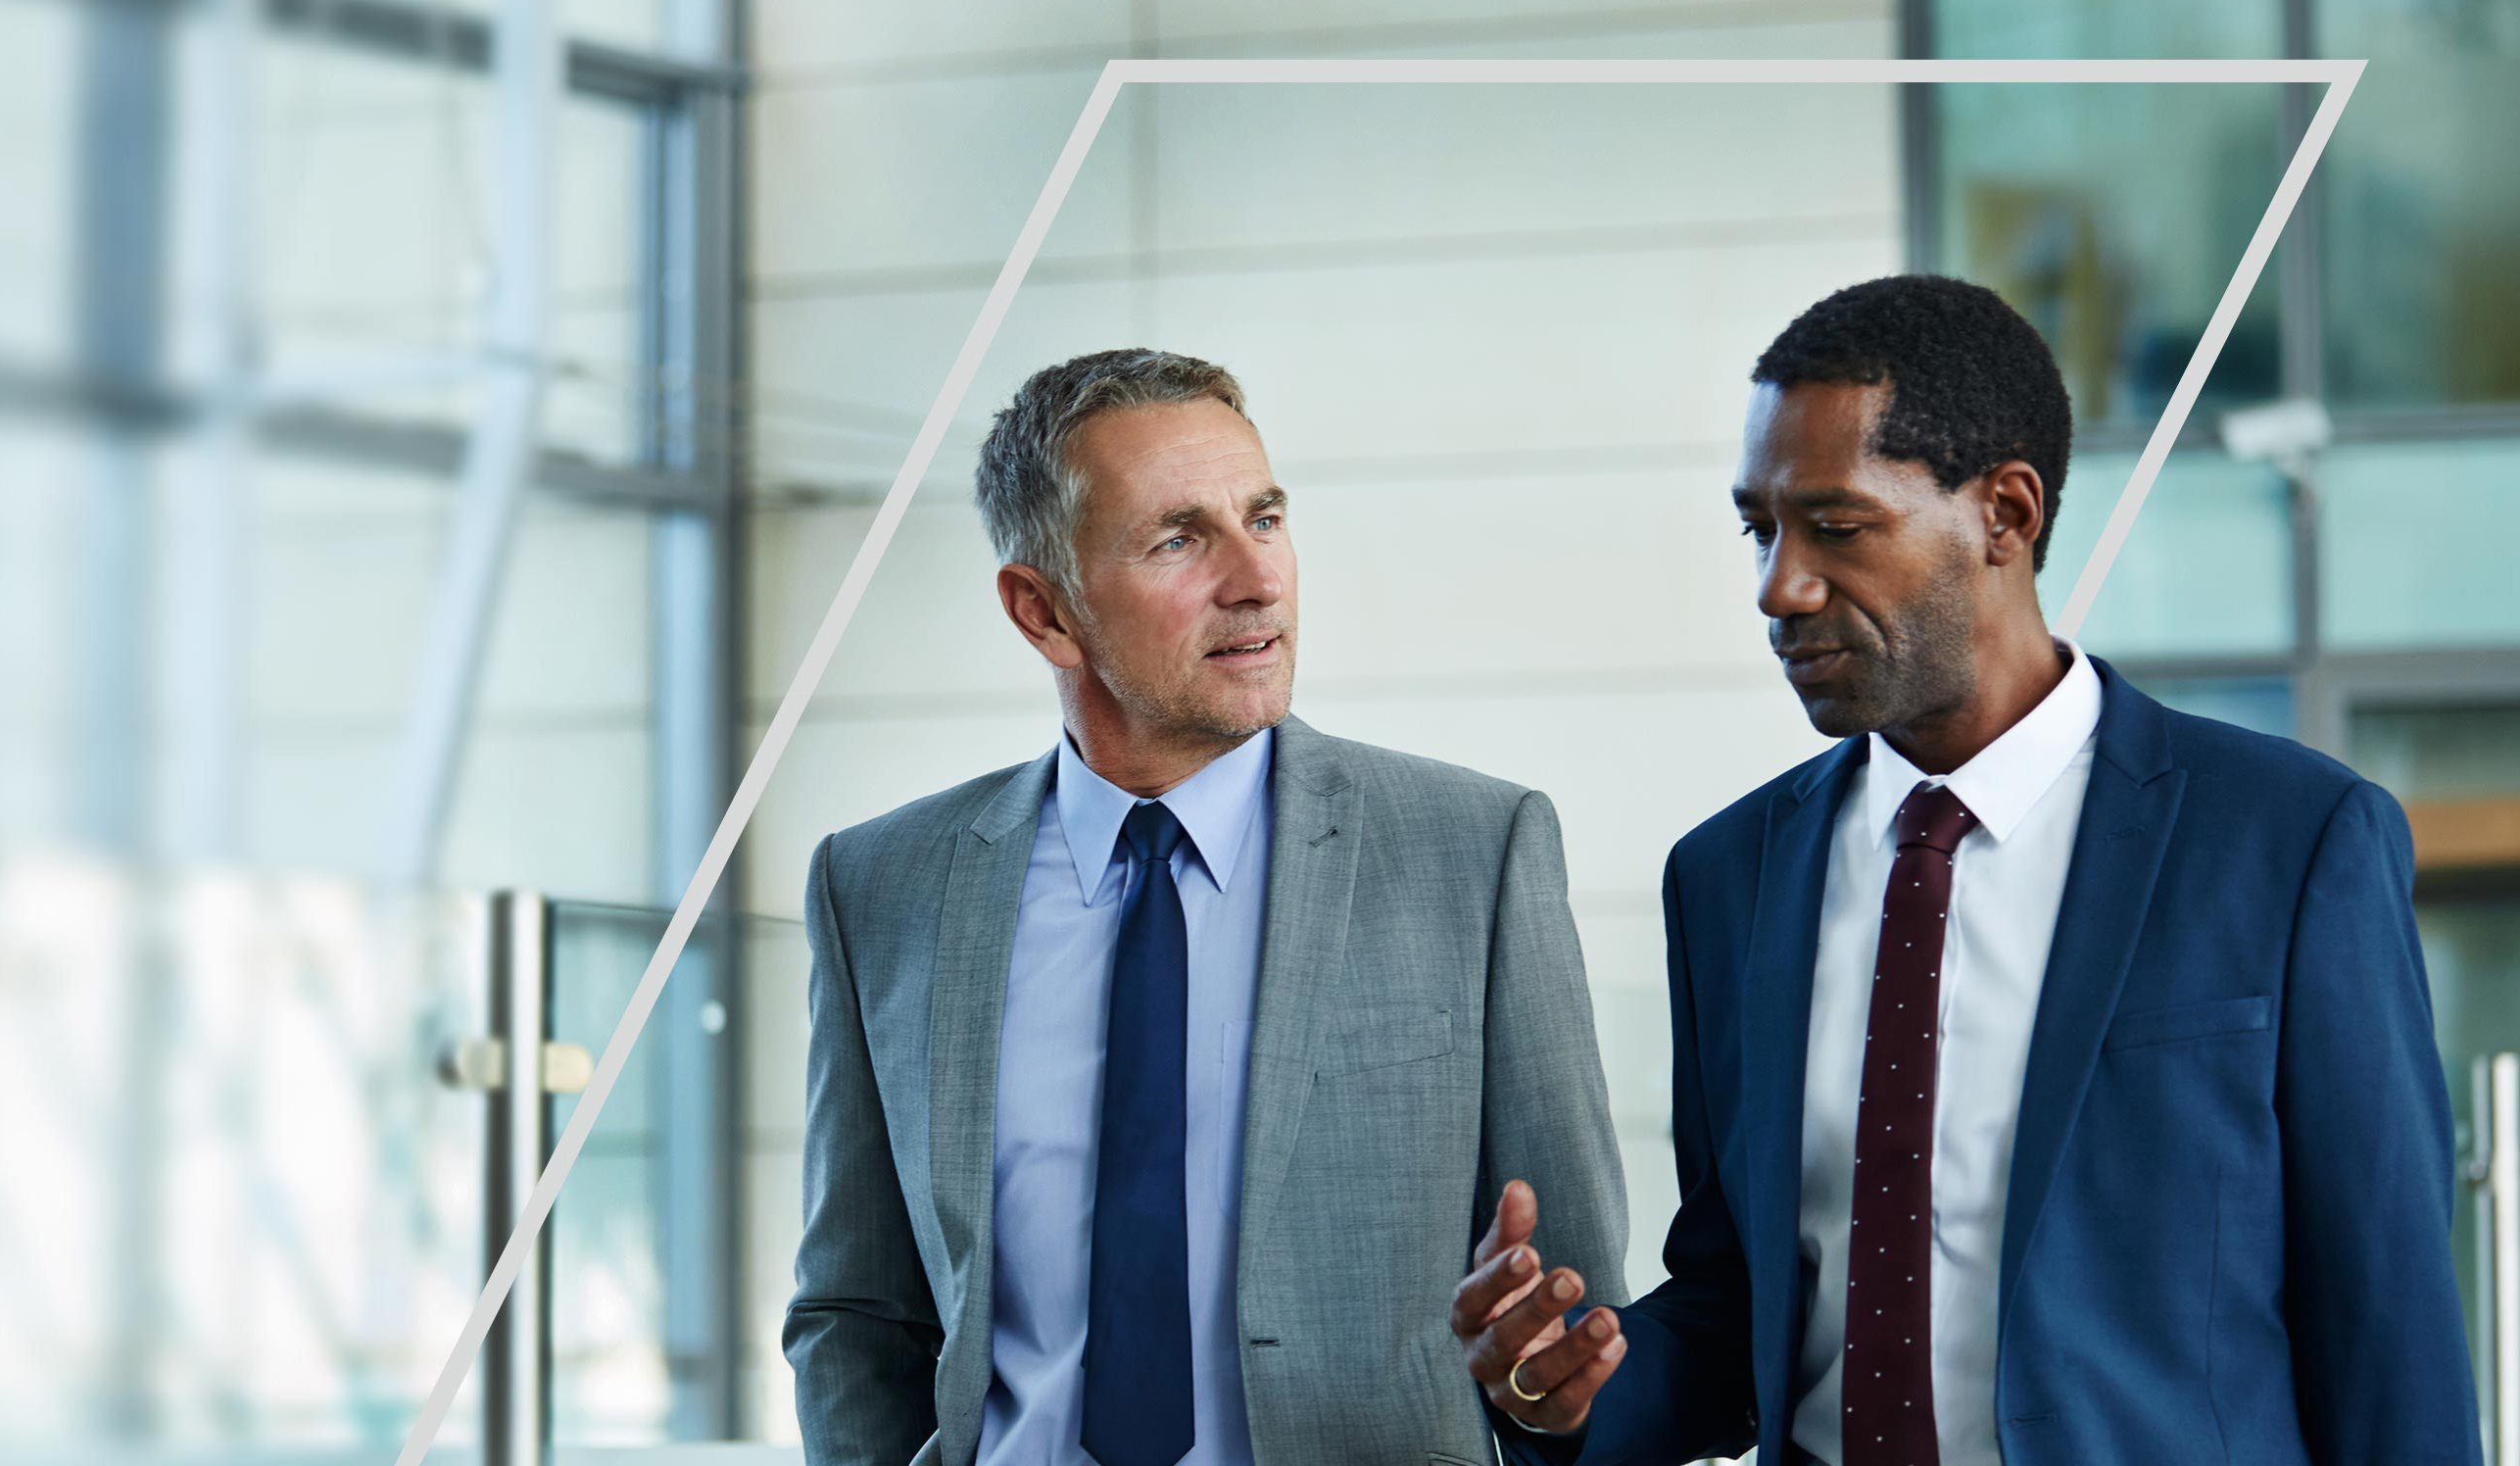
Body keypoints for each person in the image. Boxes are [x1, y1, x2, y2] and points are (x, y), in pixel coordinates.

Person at [1458, 274, 2484, 1465]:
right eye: (1760, 529)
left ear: (2004, 511)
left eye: (1835, 527)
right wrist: (1568, 1391)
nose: (1778, 587)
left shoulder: (2292, 843)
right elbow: (1738, 1311)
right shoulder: (1729, 877)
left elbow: (2389, 1340)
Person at [786, 348, 1627, 1465]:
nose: (1257, 580)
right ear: (1044, 613)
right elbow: (857, 1309)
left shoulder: (1473, 851)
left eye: (1265, 519)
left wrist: (1545, 1394)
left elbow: (1576, 1326)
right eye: (1180, 538)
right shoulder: (881, 885)